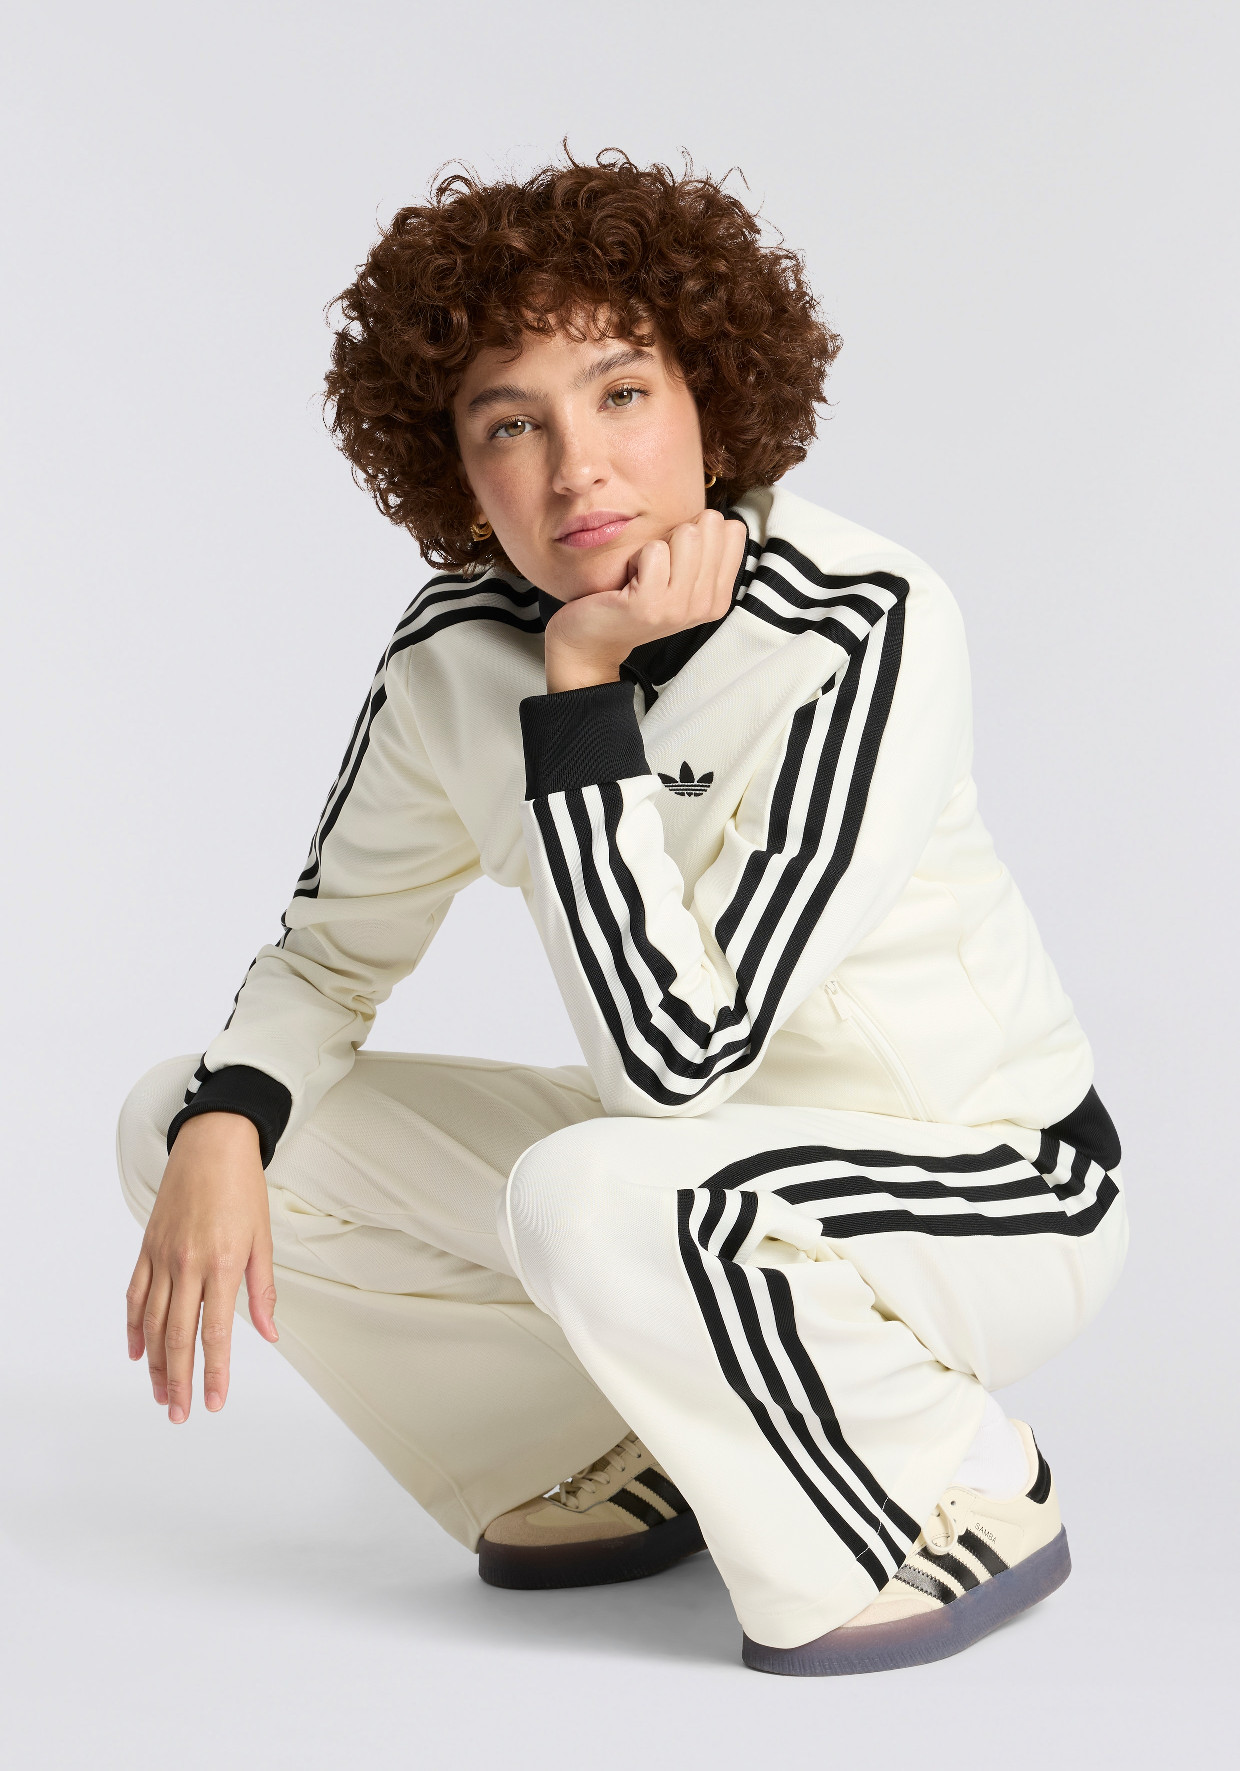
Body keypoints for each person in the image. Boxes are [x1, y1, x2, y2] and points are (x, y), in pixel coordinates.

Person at [117, 151, 1127, 1676]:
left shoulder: (861, 622)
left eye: (623, 394)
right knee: (194, 1122)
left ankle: (962, 1475)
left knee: (595, 1190)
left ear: (714, 395)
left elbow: (677, 1068)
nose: (575, 468)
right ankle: (634, 1443)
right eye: (509, 424)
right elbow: (327, 961)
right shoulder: (453, 651)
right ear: (456, 469)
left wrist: (583, 692)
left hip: (984, 1189)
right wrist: (226, 1125)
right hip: (686, 1181)